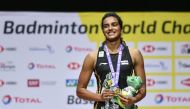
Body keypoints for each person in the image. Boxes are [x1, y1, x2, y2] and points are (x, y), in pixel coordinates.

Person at [76, 12, 146, 109]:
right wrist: (100, 97)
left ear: (120, 28)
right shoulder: (92, 56)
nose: (110, 28)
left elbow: (142, 90)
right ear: (103, 30)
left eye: (114, 24)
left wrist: (133, 100)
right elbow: (80, 90)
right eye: (106, 26)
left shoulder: (134, 54)